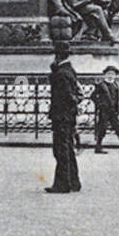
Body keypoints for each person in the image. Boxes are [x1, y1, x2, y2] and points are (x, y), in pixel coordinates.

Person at [45, 42, 82, 193]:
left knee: (61, 150)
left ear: (58, 56)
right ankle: (74, 181)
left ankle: (62, 184)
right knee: (68, 149)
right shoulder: (69, 70)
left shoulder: (61, 74)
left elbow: (67, 96)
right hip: (68, 116)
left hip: (61, 116)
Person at [92, 66, 119, 153]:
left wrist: (117, 109)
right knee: (102, 128)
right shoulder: (101, 85)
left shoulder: (115, 85)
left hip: (113, 111)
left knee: (118, 128)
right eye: (108, 74)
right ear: (105, 75)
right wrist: (100, 104)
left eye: (112, 74)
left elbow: (117, 99)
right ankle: (98, 147)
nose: (110, 76)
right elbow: (93, 96)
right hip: (104, 111)